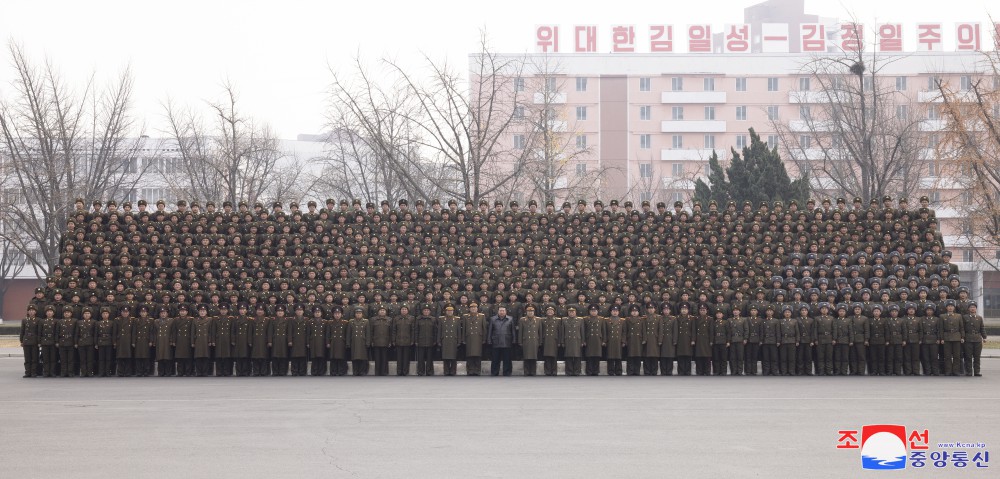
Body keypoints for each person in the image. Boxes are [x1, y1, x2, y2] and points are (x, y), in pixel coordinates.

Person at [487, 305, 516, 376]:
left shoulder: (510, 319)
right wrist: (489, 340)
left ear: (506, 311)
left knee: (507, 359)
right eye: (500, 311)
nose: (502, 312)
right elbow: (490, 330)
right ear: (498, 311)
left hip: (507, 341)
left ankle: (507, 372)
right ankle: (494, 372)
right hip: (496, 341)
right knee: (495, 359)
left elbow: (513, 331)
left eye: (503, 311)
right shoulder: (493, 319)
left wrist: (514, 339)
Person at [939, 300, 964, 376]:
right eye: (949, 306)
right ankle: (948, 371)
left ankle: (956, 371)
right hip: (947, 337)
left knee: (957, 356)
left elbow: (961, 327)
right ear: (946, 307)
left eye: (952, 306)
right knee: (947, 356)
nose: (950, 308)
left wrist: (962, 337)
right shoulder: (942, 316)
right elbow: (941, 329)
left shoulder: (958, 316)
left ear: (954, 307)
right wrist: (942, 338)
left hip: (957, 337)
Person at [462, 303, 486, 376]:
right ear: (469, 309)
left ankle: (477, 370)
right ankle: (470, 370)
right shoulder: (466, 316)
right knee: (469, 355)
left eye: (475, 307)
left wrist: (484, 338)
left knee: (478, 355)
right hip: (469, 337)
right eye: (472, 308)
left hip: (478, 337)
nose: (473, 309)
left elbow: (484, 328)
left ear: (477, 309)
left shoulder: (481, 316)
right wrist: (463, 339)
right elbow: (464, 329)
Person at [962, 303, 986, 377]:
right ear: (968, 309)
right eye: (971, 307)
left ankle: (977, 371)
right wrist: (962, 337)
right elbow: (962, 328)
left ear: (976, 309)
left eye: (974, 307)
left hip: (977, 339)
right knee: (968, 356)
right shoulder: (965, 317)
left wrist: (984, 337)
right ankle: (968, 371)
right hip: (968, 339)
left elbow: (982, 328)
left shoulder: (979, 318)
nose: (972, 308)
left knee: (977, 356)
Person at [192, 305, 216, 377]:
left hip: (206, 340)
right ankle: (199, 372)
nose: (202, 312)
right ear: (198, 312)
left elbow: (211, 331)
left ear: (206, 312)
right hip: (198, 340)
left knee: (206, 357)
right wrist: (192, 342)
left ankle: (205, 372)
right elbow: (193, 332)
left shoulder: (210, 320)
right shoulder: (195, 320)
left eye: (203, 311)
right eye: (201, 311)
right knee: (198, 357)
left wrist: (211, 341)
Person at [391, 305, 415, 376]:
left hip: (407, 340)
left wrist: (412, 340)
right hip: (398, 340)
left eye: (405, 309)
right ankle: (399, 371)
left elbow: (413, 330)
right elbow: (394, 330)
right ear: (400, 310)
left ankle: (405, 371)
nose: (404, 310)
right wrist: (393, 340)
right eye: (402, 309)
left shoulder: (411, 318)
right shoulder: (396, 318)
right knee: (399, 357)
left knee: (406, 358)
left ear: (407, 311)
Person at [347, 307, 372, 376]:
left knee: (363, 357)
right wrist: (348, 343)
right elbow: (349, 333)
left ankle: (362, 371)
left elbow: (368, 333)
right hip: (354, 342)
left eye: (360, 313)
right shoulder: (351, 321)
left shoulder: (366, 321)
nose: (358, 314)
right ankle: (355, 371)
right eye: (357, 313)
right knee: (354, 357)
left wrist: (368, 342)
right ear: (355, 314)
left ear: (362, 314)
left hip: (362, 342)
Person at [516, 305, 540, 376]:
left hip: (534, 340)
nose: (530, 313)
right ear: (526, 312)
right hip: (526, 340)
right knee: (526, 356)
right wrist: (520, 341)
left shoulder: (538, 319)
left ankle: (533, 371)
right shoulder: (522, 320)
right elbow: (520, 331)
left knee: (534, 356)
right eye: (529, 311)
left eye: (532, 311)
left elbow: (540, 331)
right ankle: (526, 371)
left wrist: (540, 341)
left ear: (534, 312)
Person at [438, 305, 461, 376]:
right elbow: (439, 331)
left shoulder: (457, 319)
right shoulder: (442, 319)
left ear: (453, 311)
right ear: (445, 311)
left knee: (453, 357)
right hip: (445, 339)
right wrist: (438, 340)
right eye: (448, 311)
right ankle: (446, 371)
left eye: (451, 311)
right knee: (445, 356)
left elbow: (459, 331)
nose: (450, 312)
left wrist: (459, 340)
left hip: (453, 339)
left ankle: (453, 371)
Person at [114, 306, 137, 377]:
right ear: (121, 312)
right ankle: (120, 372)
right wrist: (114, 342)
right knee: (119, 357)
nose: (125, 313)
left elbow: (133, 332)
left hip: (128, 340)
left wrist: (133, 342)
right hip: (120, 340)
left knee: (128, 357)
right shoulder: (117, 320)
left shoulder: (132, 320)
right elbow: (115, 332)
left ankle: (127, 372)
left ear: (129, 312)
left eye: (126, 312)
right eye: (123, 312)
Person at [561, 306, 584, 376]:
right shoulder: (564, 320)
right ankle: (569, 371)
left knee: (577, 356)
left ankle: (577, 371)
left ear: (575, 312)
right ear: (567, 312)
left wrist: (583, 341)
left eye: (573, 312)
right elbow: (562, 331)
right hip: (568, 339)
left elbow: (582, 331)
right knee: (568, 356)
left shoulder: (580, 320)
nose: (571, 313)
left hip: (577, 339)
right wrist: (562, 341)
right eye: (570, 312)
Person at [414, 306, 437, 376]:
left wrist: (435, 340)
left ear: (430, 312)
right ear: (422, 311)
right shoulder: (418, 319)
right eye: (425, 310)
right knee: (420, 358)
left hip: (430, 341)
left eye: (427, 310)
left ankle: (429, 371)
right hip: (421, 341)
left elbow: (435, 331)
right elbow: (416, 330)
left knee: (430, 358)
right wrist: (416, 340)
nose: (426, 311)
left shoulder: (433, 319)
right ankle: (420, 371)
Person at [268, 307, 291, 376]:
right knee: (275, 356)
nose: (280, 312)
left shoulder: (287, 320)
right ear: (276, 312)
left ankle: (283, 371)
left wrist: (289, 341)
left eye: (281, 311)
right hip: (275, 340)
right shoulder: (272, 320)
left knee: (284, 356)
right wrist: (270, 341)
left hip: (284, 340)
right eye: (278, 311)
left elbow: (289, 331)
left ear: (284, 312)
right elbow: (270, 331)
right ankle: (275, 371)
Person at [583, 304, 605, 376]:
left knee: (597, 356)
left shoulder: (601, 319)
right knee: (589, 356)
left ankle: (595, 371)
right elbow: (584, 330)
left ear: (597, 311)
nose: (593, 312)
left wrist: (604, 340)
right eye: (592, 311)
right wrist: (584, 340)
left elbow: (603, 330)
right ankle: (589, 371)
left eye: (595, 311)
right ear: (589, 311)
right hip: (589, 339)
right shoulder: (585, 319)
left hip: (598, 339)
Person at [920, 305, 942, 376]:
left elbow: (939, 330)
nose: (929, 311)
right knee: (926, 357)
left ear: (933, 311)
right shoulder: (922, 319)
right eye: (928, 310)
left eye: (931, 310)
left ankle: (935, 371)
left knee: (934, 356)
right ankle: (928, 371)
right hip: (925, 339)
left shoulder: (937, 319)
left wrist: (938, 338)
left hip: (934, 339)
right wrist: (921, 339)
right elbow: (920, 330)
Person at [75, 308, 97, 377]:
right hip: (81, 342)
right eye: (85, 313)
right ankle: (84, 372)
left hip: (90, 342)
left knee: (90, 358)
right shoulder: (79, 322)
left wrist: (95, 342)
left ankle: (90, 372)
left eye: (88, 313)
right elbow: (76, 333)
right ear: (83, 315)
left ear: (91, 315)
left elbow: (95, 333)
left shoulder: (94, 322)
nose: (86, 315)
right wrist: (76, 342)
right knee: (82, 359)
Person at [152, 307, 175, 377]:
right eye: (161, 313)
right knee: (160, 357)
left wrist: (172, 340)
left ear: (167, 313)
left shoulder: (171, 320)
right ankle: (161, 372)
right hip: (159, 341)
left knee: (167, 357)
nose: (163, 314)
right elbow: (154, 332)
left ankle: (168, 372)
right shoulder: (156, 321)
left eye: (164, 313)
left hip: (167, 341)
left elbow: (172, 332)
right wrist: (154, 341)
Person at [327, 307, 349, 376]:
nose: (337, 315)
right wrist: (328, 342)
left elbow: (347, 334)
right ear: (333, 314)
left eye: (339, 313)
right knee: (333, 357)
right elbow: (328, 333)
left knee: (341, 357)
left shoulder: (345, 323)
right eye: (335, 314)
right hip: (333, 342)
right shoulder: (330, 322)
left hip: (342, 341)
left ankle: (341, 371)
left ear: (341, 314)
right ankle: (333, 371)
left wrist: (347, 343)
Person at [173, 305, 195, 377]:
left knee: (188, 357)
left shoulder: (191, 319)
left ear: (187, 312)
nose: (182, 312)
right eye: (181, 311)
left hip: (187, 340)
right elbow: (174, 331)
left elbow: (192, 331)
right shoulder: (176, 320)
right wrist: (173, 340)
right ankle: (180, 372)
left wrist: (192, 341)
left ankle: (188, 372)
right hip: (179, 340)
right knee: (180, 358)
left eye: (184, 311)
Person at [20, 305, 40, 378]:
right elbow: (22, 331)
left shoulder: (38, 320)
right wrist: (21, 341)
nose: (31, 312)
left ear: (35, 312)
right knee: (27, 358)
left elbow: (39, 332)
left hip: (34, 341)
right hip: (26, 341)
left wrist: (39, 341)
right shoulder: (25, 320)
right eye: (30, 310)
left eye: (33, 310)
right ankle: (27, 372)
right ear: (28, 312)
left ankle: (34, 372)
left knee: (34, 358)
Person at [540, 305, 561, 376]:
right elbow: (540, 331)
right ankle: (547, 371)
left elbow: (560, 331)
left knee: (554, 356)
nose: (550, 312)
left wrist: (560, 341)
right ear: (546, 312)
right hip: (546, 339)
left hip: (554, 339)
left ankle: (554, 371)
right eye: (548, 311)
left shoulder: (558, 320)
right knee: (546, 356)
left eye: (551, 311)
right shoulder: (542, 320)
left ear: (554, 312)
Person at [307, 306, 328, 376]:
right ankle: (314, 371)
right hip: (313, 341)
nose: (317, 314)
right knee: (314, 357)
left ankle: (321, 371)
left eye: (318, 312)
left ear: (321, 313)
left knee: (321, 357)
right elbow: (308, 333)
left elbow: (327, 333)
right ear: (313, 313)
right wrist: (308, 342)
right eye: (316, 312)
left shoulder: (325, 322)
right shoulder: (310, 322)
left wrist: (327, 342)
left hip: (322, 341)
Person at [624, 305, 645, 376]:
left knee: (638, 356)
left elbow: (643, 330)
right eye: (633, 311)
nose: (634, 313)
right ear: (630, 312)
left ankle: (637, 371)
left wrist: (644, 339)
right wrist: (624, 340)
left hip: (639, 339)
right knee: (630, 356)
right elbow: (625, 331)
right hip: (630, 339)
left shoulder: (641, 319)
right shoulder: (627, 320)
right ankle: (630, 371)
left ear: (638, 312)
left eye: (636, 311)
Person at [289, 305, 309, 376]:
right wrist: (290, 340)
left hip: (303, 340)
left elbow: (308, 332)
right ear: (295, 311)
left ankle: (302, 371)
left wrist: (307, 342)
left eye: (301, 310)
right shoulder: (292, 319)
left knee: (303, 357)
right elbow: (290, 331)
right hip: (295, 340)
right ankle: (294, 371)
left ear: (303, 311)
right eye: (298, 310)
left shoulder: (306, 320)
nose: (299, 311)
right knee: (294, 356)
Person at [56, 308, 76, 377]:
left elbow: (76, 333)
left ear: (71, 313)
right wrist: (57, 341)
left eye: (68, 312)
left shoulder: (74, 321)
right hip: (62, 342)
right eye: (65, 312)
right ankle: (63, 372)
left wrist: (75, 342)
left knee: (71, 359)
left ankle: (70, 372)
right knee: (63, 359)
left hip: (71, 342)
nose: (66, 314)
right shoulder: (60, 322)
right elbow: (57, 332)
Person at [95, 307, 115, 378]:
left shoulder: (112, 323)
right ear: (101, 315)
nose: (105, 315)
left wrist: (113, 342)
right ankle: (101, 372)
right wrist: (96, 343)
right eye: (103, 313)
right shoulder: (98, 323)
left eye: (106, 313)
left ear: (109, 314)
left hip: (109, 341)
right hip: (101, 341)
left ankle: (107, 372)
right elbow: (96, 334)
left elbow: (113, 333)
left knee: (108, 358)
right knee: (101, 358)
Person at [710, 308, 730, 376]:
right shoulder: (713, 322)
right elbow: (712, 333)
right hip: (715, 342)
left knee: (723, 358)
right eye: (717, 314)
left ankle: (723, 371)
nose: (718, 315)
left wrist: (728, 341)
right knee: (716, 357)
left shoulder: (725, 322)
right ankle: (716, 371)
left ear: (722, 315)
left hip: (723, 341)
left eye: (720, 314)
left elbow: (728, 333)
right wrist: (711, 341)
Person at [728, 308, 748, 376]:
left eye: (737, 310)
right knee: (732, 357)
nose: (735, 312)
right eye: (734, 310)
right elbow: (727, 331)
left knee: (740, 356)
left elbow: (746, 329)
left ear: (739, 312)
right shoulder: (729, 320)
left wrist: (745, 338)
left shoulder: (743, 320)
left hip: (740, 339)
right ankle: (733, 371)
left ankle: (739, 371)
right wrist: (728, 340)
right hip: (732, 340)